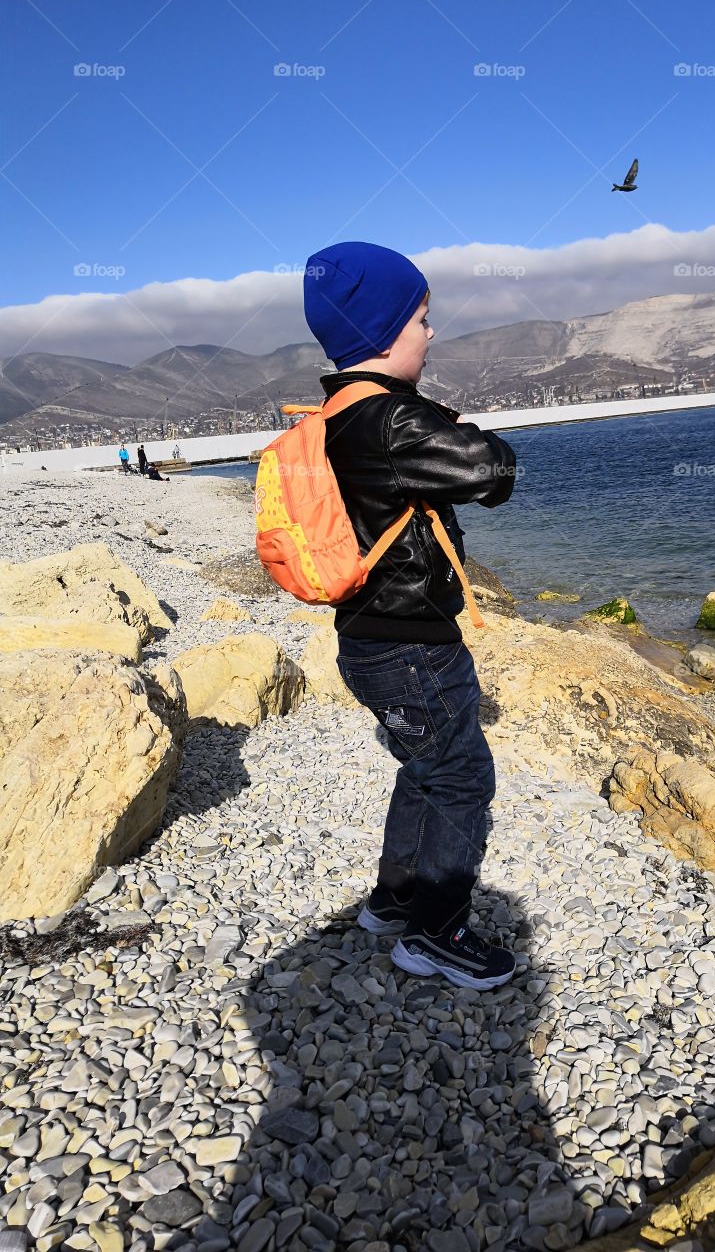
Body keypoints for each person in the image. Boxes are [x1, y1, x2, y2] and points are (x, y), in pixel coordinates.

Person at [304, 241, 518, 990]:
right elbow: (491, 471)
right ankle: (436, 933)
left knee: (423, 767)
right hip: (415, 646)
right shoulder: (390, 420)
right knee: (462, 778)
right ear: (386, 333)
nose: (431, 333)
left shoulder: (335, 415)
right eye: (423, 320)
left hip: (366, 637)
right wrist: (439, 417)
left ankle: (394, 902)